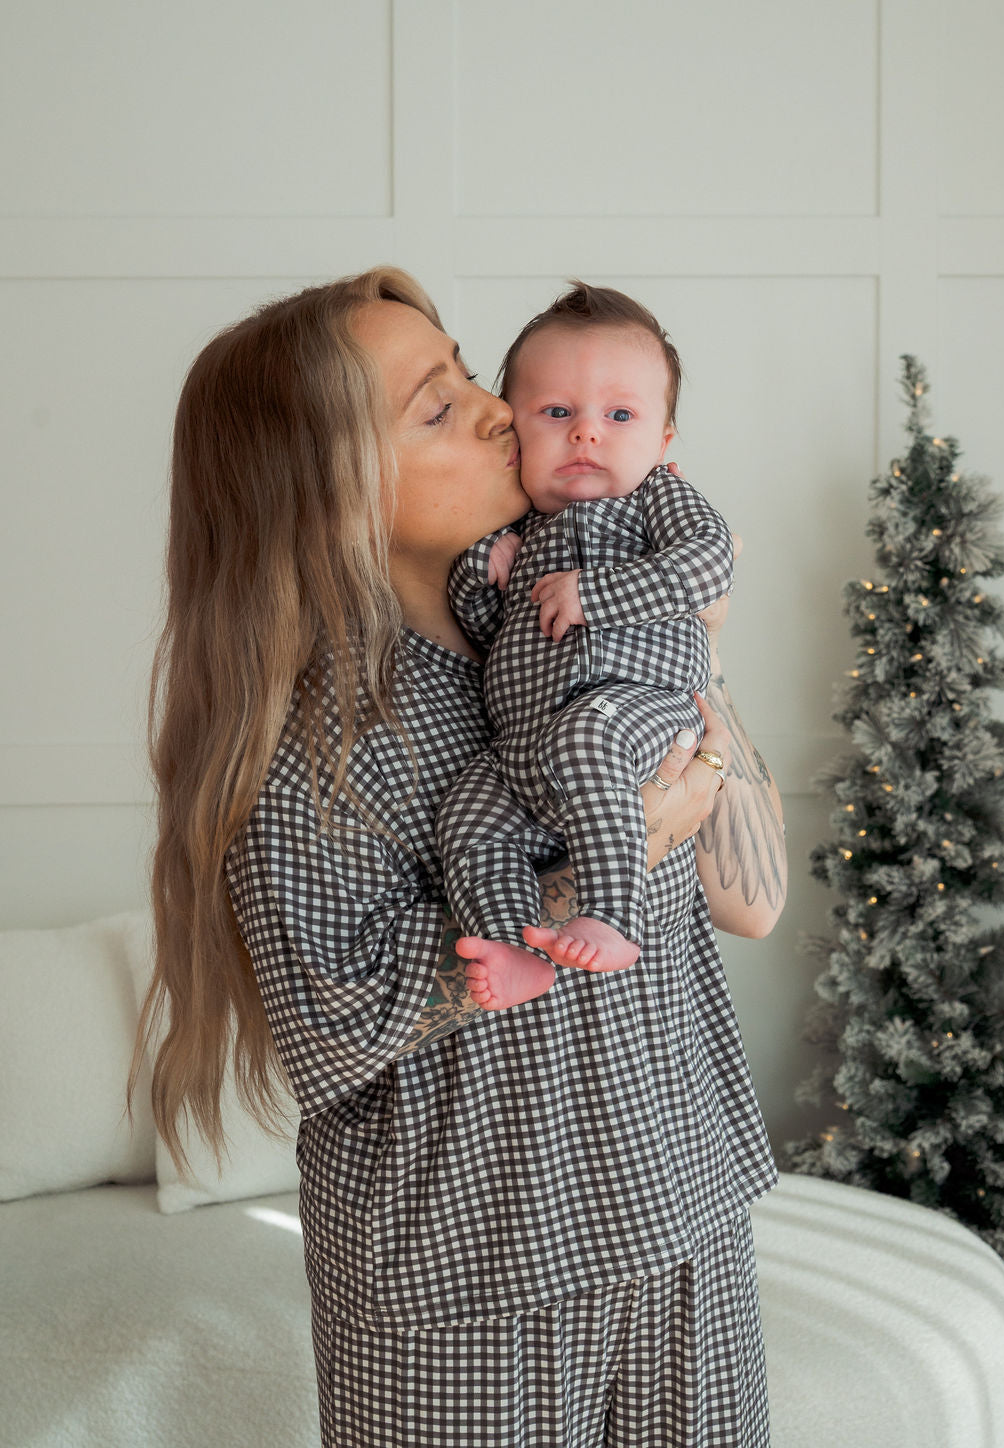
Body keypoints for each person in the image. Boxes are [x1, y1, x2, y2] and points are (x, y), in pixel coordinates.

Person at [130, 267, 787, 1448]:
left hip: (679, 1211)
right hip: (472, 1283)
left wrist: (699, 656)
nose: (497, 412)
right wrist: (609, 855)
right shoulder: (315, 741)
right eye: (435, 408)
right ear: (322, 490)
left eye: (470, 376)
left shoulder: (570, 607)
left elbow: (755, 906)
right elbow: (337, 1022)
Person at [437, 281, 734, 998]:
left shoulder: (655, 497)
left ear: (662, 440)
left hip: (634, 710)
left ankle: (611, 916)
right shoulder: (512, 534)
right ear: (514, 434)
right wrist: (480, 574)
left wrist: (595, 593)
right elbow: (489, 637)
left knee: (588, 736)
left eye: (620, 414)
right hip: (525, 747)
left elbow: (710, 558)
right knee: (469, 817)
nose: (586, 432)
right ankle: (516, 949)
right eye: (557, 412)